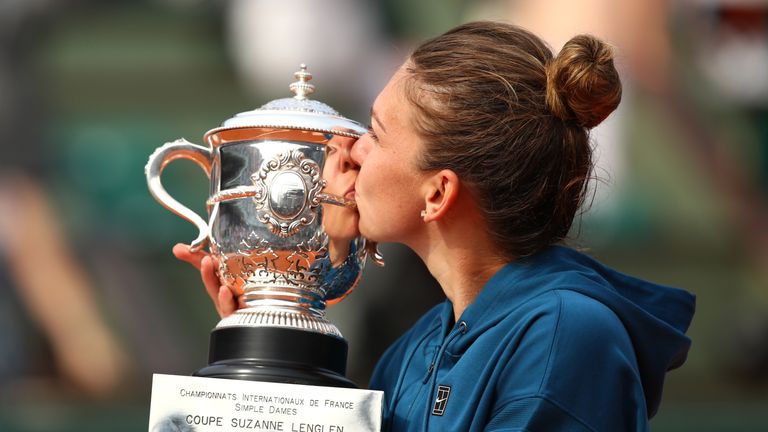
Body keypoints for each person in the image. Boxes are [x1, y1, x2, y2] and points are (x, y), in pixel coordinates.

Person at [176, 21, 695, 431]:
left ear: (438, 194)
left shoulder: (564, 337)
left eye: (375, 134)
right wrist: (271, 334)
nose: (351, 152)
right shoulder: (416, 348)